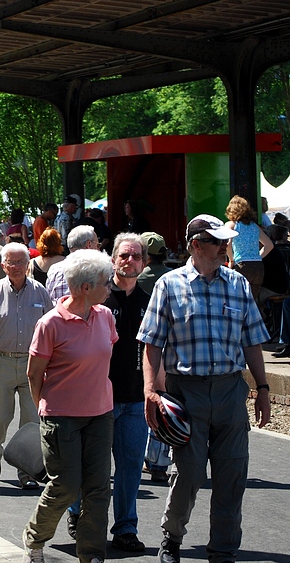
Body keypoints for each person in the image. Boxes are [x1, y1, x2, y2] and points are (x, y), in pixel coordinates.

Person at [137, 214, 271, 563]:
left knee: (232, 474)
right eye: (219, 242)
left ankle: (223, 549)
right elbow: (151, 344)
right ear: (196, 246)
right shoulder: (169, 285)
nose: (226, 247)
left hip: (229, 391)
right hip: (186, 393)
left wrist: (264, 388)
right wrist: (151, 391)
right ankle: (172, 536)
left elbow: (252, 341)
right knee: (190, 473)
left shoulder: (238, 284)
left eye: (226, 242)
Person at [22, 249, 117, 563]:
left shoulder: (105, 316)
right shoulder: (50, 323)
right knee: (65, 486)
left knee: (99, 488)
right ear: (86, 288)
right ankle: (35, 540)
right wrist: (45, 409)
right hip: (61, 417)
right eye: (106, 282)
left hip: (101, 414)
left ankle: (91, 555)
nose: (111, 287)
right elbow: (34, 374)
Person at [65, 233, 151, 552]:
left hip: (134, 401)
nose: (130, 261)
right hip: (94, 400)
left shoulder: (149, 302)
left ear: (144, 262)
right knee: (89, 467)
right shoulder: (97, 297)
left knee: (129, 467)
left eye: (136, 256)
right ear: (112, 259)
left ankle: (126, 527)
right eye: (124, 256)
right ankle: (77, 513)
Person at [0, 243, 52, 488]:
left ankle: (26, 469)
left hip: (32, 364)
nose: (16, 267)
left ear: (28, 265)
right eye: (11, 262)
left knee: (32, 420)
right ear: (3, 265)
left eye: (20, 262)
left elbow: (52, 332)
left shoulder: (40, 292)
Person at [225, 194, 273, 301]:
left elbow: (227, 243)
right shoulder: (254, 226)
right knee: (252, 302)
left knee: (238, 301)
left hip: (242, 265)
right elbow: (269, 245)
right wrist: (257, 256)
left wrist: (231, 260)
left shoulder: (231, 225)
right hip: (258, 267)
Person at [46, 225, 100, 301]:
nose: (98, 249)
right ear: (89, 244)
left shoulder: (54, 269)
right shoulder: (95, 270)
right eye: (97, 245)